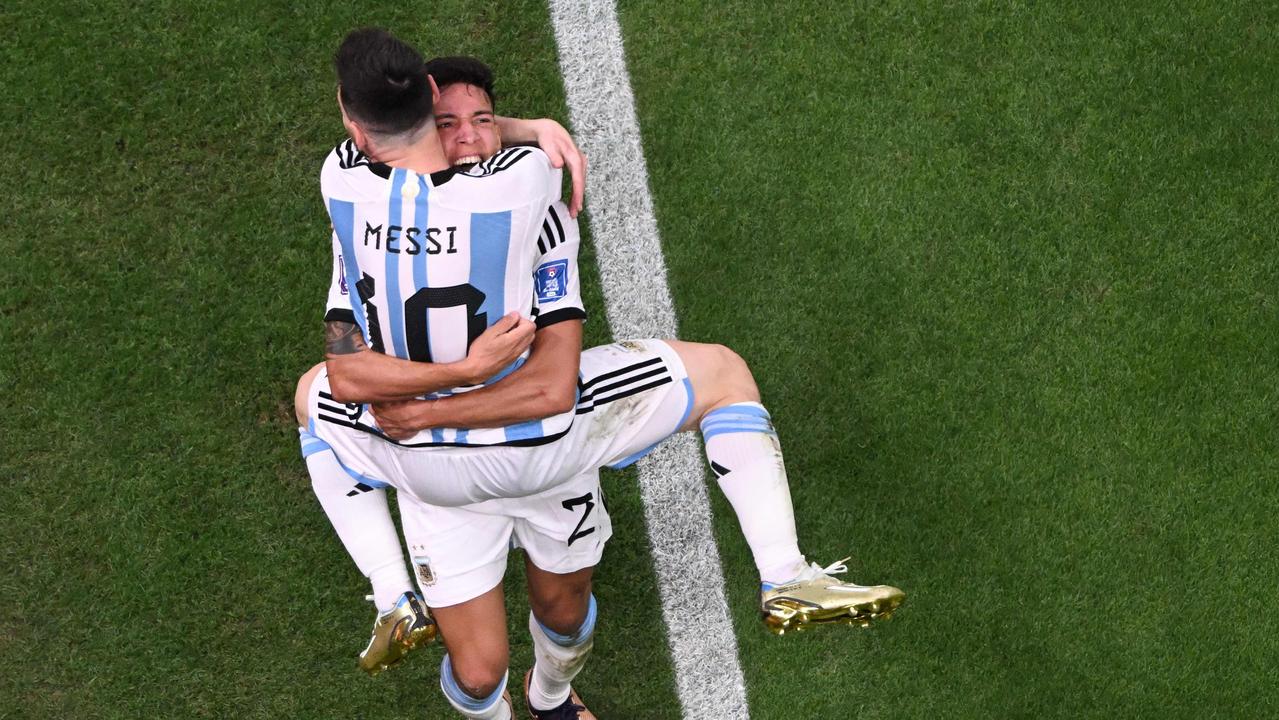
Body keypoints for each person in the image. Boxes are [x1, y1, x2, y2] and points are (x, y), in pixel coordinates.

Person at [299, 34, 905, 718]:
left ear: (354, 126)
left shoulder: (343, 192)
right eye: (450, 122)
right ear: (429, 102)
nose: (471, 136)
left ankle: (410, 605)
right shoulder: (528, 188)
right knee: (723, 374)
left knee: (309, 398)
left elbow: (346, 376)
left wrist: (431, 405)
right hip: (535, 445)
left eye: (484, 120)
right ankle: (785, 574)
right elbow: (553, 387)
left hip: (420, 462)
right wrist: (535, 129)